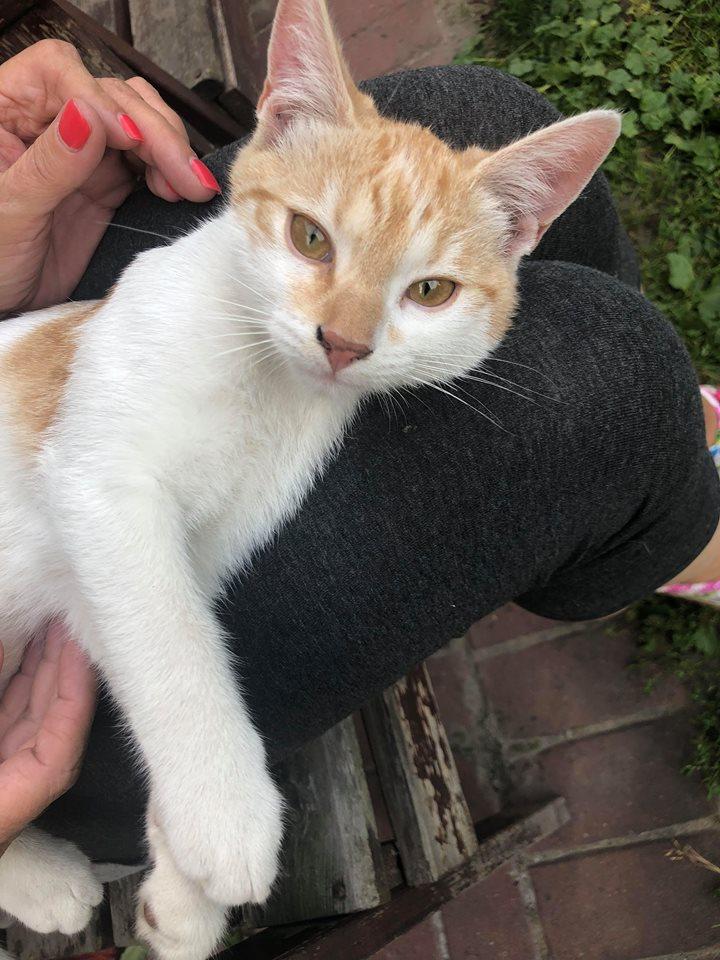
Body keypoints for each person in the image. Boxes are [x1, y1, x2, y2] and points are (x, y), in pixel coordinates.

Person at [0, 39, 718, 866]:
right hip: (45, 710)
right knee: (612, 383)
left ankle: (650, 479)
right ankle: (672, 511)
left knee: (494, 122)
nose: (346, 333)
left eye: (428, 289)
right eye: (313, 238)